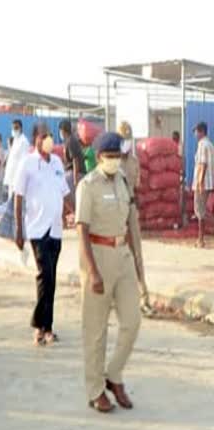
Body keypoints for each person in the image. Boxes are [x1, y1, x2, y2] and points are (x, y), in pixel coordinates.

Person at [76, 132, 142, 413]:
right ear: (100, 157)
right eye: (111, 156)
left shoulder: (124, 181)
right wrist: (92, 272)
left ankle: (113, 375)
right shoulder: (87, 186)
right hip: (98, 256)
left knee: (132, 321)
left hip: (123, 255)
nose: (116, 160)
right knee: (96, 330)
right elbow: (82, 229)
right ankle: (95, 390)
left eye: (119, 156)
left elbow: (132, 223)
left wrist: (139, 266)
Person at [14, 122, 70, 346]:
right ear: (35, 139)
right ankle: (39, 325)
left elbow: (64, 193)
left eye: (50, 136)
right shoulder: (27, 164)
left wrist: (75, 212)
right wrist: (19, 230)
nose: (48, 140)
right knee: (44, 276)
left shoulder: (56, 162)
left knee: (52, 279)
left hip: (56, 229)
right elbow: (18, 197)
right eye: (43, 136)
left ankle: (48, 326)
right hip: (37, 229)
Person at [116, 122, 151, 316]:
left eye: (129, 139)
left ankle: (143, 296)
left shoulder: (134, 163)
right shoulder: (112, 163)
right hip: (115, 211)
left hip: (130, 207)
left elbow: (136, 186)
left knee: (136, 253)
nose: (126, 144)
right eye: (123, 140)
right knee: (116, 255)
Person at [0, 120, 29, 240]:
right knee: (11, 208)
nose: (14, 130)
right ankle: (11, 232)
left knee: (18, 208)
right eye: (13, 128)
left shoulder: (24, 142)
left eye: (16, 127)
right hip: (12, 179)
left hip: (18, 179)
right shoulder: (15, 141)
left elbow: (24, 161)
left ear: (20, 128)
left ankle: (20, 232)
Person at [193, 121, 214, 248]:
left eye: (196, 131)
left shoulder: (202, 144)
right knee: (203, 211)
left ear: (201, 131)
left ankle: (200, 240)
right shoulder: (210, 144)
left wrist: (199, 183)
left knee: (200, 211)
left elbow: (202, 164)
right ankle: (200, 238)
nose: (195, 134)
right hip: (209, 182)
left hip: (202, 183)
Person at [60, 119, 85, 200]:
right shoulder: (70, 140)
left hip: (74, 174)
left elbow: (75, 160)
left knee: (72, 199)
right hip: (73, 173)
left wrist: (75, 179)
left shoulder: (71, 141)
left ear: (63, 131)